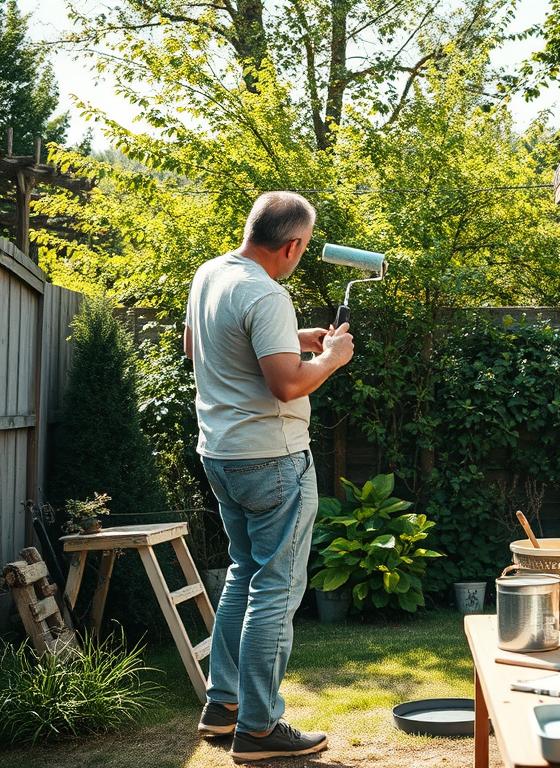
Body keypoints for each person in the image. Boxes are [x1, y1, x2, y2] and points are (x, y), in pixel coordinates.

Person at [183, 191, 354, 761]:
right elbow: (286, 386)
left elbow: (199, 349)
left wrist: (292, 340)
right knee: (275, 591)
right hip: (273, 458)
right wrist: (330, 358)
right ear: (292, 245)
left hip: (221, 454)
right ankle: (259, 729)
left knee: (244, 575)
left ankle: (223, 706)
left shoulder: (211, 275)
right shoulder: (267, 291)